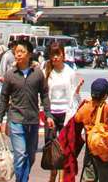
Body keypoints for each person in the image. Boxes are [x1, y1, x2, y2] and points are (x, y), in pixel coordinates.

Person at [0, 39, 55, 182]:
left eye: (22, 52)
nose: (18, 55)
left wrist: (48, 115)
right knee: (21, 154)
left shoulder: (38, 74)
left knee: (30, 155)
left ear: (29, 54)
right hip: (16, 119)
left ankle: (23, 178)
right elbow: (4, 98)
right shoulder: (10, 75)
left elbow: (45, 94)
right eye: (16, 52)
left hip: (33, 120)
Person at [45, 41, 84, 180]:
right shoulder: (47, 71)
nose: (55, 57)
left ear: (63, 55)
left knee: (64, 148)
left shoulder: (70, 72)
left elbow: (74, 93)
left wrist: (78, 91)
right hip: (51, 113)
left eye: (58, 54)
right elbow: (44, 94)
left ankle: (62, 178)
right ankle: (52, 175)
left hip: (66, 113)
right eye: (53, 55)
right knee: (51, 146)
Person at [75, 77, 108, 182]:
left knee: (89, 175)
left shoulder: (85, 108)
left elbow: (77, 118)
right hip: (103, 147)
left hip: (90, 148)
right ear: (105, 96)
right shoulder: (106, 107)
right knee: (106, 176)